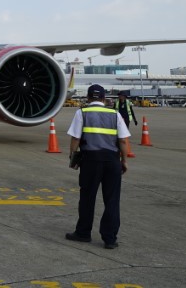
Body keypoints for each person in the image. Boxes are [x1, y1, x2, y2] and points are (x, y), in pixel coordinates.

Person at [65, 84, 130, 249]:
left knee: (87, 198)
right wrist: (124, 160)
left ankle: (83, 233)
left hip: (90, 161)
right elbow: (123, 140)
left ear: (88, 98)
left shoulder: (82, 112)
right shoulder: (115, 114)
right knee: (112, 200)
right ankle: (109, 238)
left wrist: (73, 157)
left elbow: (75, 139)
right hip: (112, 161)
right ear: (103, 98)